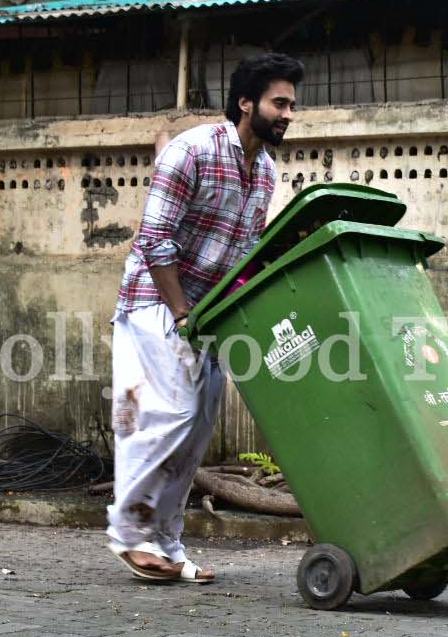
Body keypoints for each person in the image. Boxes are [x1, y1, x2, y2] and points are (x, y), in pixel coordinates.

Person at [106, 52, 303, 582]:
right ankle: (129, 533)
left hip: (209, 312)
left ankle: (168, 542)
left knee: (197, 428)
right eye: (278, 103)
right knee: (168, 415)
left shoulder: (264, 169)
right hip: (156, 298)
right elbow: (154, 238)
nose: (288, 113)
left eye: (291, 105)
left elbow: (243, 250)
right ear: (246, 103)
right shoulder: (193, 150)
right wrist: (180, 310)